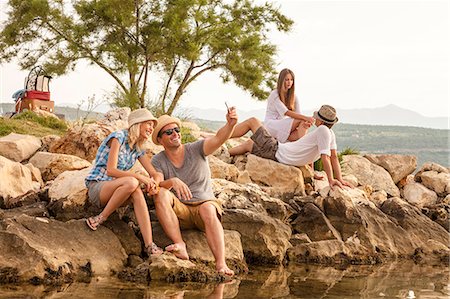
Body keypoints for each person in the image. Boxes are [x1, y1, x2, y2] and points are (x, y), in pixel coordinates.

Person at [151, 107, 238, 276]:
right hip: (180, 211)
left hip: (203, 207)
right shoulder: (158, 159)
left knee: (208, 208)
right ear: (160, 140)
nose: (175, 134)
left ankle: (221, 264)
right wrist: (173, 181)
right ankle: (180, 245)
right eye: (169, 132)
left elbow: (220, 138)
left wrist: (230, 124)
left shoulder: (196, 148)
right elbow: (158, 184)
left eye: (177, 130)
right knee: (161, 193)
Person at [84, 108, 163, 256]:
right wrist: (140, 177)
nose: (152, 128)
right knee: (133, 183)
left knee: (137, 191)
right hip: (98, 187)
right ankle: (101, 217)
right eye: (149, 124)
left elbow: (154, 173)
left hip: (119, 190)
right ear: (138, 124)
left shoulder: (138, 147)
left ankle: (149, 245)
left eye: (153, 125)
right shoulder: (118, 137)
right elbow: (111, 171)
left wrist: (154, 183)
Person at [228, 105, 353, 189]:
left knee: (253, 121)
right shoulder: (330, 133)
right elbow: (333, 157)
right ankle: (226, 152)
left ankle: (223, 137)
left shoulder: (322, 131)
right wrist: (339, 179)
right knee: (250, 144)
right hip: (278, 154)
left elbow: (326, 158)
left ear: (320, 121)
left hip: (276, 150)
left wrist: (331, 180)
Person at [262, 68, 315, 143]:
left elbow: (298, 114)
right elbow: (286, 112)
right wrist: (306, 118)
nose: (289, 82)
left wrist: (305, 122)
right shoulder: (275, 94)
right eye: (286, 79)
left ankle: (302, 145)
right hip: (271, 125)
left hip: (282, 125)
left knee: (304, 123)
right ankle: (303, 144)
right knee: (302, 119)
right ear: (281, 80)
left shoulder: (294, 97)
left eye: (291, 80)